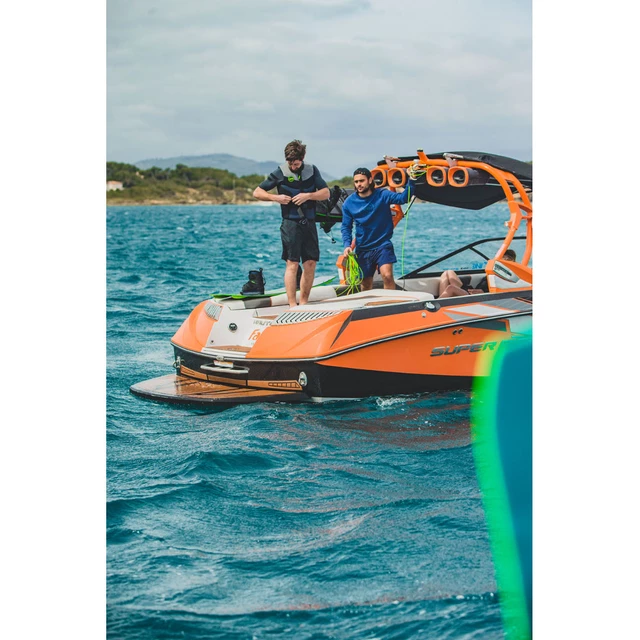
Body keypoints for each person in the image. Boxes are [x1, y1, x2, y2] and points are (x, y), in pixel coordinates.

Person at [253, 140, 330, 307]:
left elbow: (325, 193)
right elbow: (257, 192)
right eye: (290, 163)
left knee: (310, 263)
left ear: (302, 158)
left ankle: (303, 302)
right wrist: (276, 198)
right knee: (292, 263)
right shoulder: (280, 172)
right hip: (290, 223)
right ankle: (292, 304)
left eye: (296, 163)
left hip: (309, 222)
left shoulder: (312, 170)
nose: (293, 166)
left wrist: (308, 196)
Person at [340, 167, 411, 291]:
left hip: (382, 245)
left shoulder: (382, 195)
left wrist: (412, 179)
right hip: (363, 248)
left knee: (387, 276)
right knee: (366, 283)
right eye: (356, 182)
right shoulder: (348, 203)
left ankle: (390, 306)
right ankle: (367, 308)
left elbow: (403, 199)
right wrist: (347, 245)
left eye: (362, 181)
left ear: (370, 180)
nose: (359, 184)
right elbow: (346, 227)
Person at [438, 249, 517, 298]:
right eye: (503, 259)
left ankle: (436, 305)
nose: (503, 262)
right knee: (447, 273)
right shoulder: (494, 272)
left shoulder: (511, 277)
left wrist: (484, 292)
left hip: (477, 297)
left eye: (507, 260)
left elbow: (502, 292)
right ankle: (445, 301)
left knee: (450, 288)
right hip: (472, 291)